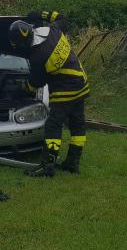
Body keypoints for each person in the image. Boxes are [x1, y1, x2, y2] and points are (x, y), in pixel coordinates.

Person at [8, 10, 88, 177]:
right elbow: (61, 17)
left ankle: (48, 166)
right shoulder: (54, 31)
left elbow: (35, 84)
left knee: (53, 125)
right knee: (77, 125)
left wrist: (20, 90)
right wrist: (41, 14)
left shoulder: (38, 57)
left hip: (65, 90)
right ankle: (73, 163)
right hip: (81, 82)